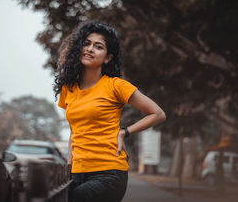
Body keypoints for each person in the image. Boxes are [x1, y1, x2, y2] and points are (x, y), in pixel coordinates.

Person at [54, 20, 166, 202]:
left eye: (98, 47)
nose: (90, 49)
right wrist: (70, 162)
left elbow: (158, 114)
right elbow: (74, 131)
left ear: (107, 58)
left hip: (109, 173)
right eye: (87, 43)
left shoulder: (115, 86)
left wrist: (125, 132)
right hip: (78, 172)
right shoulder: (69, 88)